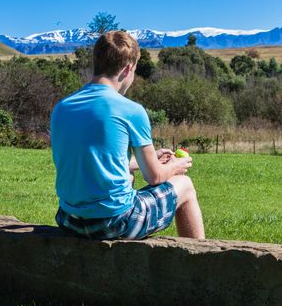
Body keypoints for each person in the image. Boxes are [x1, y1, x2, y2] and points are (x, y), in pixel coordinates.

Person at [50, 30, 205, 240]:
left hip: (69, 219)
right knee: (185, 186)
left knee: (129, 177)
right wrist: (178, 166)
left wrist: (146, 160)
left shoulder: (62, 107)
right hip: (114, 222)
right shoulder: (131, 110)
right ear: (128, 69)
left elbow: (92, 161)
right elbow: (155, 176)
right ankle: (197, 259)